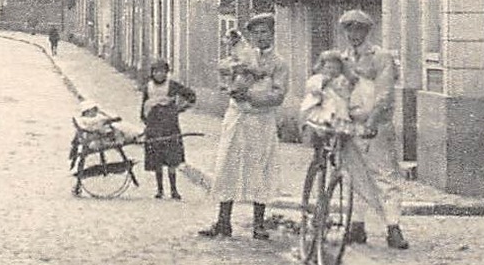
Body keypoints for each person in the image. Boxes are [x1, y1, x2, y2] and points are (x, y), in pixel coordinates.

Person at [200, 12, 288, 240]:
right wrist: (231, 85)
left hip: (261, 120)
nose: (260, 37)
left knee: (260, 168)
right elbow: (224, 73)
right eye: (256, 33)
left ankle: (258, 224)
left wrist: (250, 96)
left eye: (265, 32)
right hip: (237, 118)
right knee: (227, 166)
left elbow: (278, 95)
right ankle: (223, 221)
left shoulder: (279, 63)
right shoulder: (242, 56)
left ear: (272, 34)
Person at [337, 10, 408, 250]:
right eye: (349, 30)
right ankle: (357, 225)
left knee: (384, 174)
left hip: (376, 125)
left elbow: (385, 93)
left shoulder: (380, 57)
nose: (354, 35)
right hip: (351, 125)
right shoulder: (343, 59)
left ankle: (393, 227)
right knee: (355, 175)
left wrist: (373, 121)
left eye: (359, 30)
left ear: (367, 32)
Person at [140, 59, 196, 200]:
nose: (159, 75)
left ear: (167, 73)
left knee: (172, 159)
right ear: (152, 73)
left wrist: (180, 108)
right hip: (153, 126)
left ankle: (174, 190)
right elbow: (143, 106)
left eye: (162, 72)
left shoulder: (172, 86)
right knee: (157, 159)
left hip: (169, 126)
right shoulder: (148, 87)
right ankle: (159, 190)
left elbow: (191, 96)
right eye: (156, 72)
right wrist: (147, 121)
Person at [298, 50, 352, 132]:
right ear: (322, 67)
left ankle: (336, 129)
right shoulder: (317, 78)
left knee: (340, 105)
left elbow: (346, 93)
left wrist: (336, 87)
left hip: (337, 104)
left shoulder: (342, 79)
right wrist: (322, 84)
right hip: (320, 103)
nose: (332, 71)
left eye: (336, 68)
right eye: (329, 67)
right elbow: (311, 89)